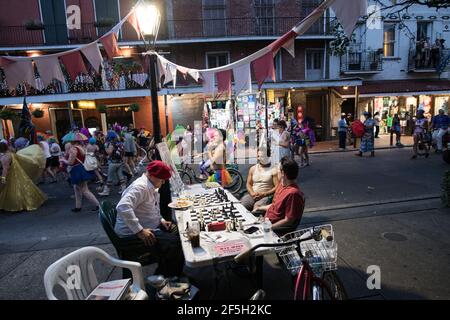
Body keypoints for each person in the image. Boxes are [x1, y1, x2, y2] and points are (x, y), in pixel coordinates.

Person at [115, 161, 184, 277]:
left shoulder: (150, 185)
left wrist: (161, 220)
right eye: (161, 180)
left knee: (179, 232)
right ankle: (169, 278)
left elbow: (152, 209)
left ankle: (164, 270)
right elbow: (123, 207)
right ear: (151, 175)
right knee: (176, 245)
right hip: (132, 233)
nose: (162, 183)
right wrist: (140, 231)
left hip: (148, 226)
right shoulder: (140, 187)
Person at [252, 157, 305, 235]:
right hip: (265, 222)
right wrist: (260, 208)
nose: (276, 172)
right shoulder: (281, 185)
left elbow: (288, 220)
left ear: (283, 173)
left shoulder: (293, 194)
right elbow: (275, 206)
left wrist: (269, 228)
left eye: (277, 170)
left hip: (273, 230)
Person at [0, 142, 47, 212]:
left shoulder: (5, 157)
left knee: (15, 189)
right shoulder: (11, 154)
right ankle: (27, 202)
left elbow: (5, 169)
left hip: (11, 175)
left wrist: (3, 178)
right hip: (18, 173)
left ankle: (18, 205)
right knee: (23, 188)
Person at [60, 137, 100, 212]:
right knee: (77, 188)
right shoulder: (81, 147)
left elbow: (70, 162)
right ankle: (78, 206)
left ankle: (98, 205)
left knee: (84, 190)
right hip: (81, 168)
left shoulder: (73, 149)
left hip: (76, 170)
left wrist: (63, 160)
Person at [98, 131, 127, 196]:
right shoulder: (119, 143)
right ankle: (124, 189)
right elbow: (124, 152)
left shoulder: (110, 143)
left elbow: (109, 152)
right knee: (120, 176)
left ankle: (106, 191)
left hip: (113, 162)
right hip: (120, 162)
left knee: (109, 177)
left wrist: (105, 148)